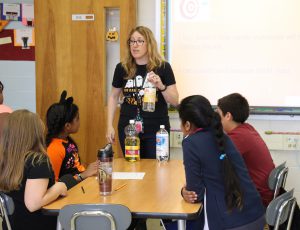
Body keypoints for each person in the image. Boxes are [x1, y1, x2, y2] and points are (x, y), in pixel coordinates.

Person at [178, 95, 265, 229]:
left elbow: (196, 194)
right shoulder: (222, 136)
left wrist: (183, 192)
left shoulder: (190, 142)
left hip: (230, 223)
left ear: (187, 124)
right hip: (256, 216)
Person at [106, 26, 179, 159]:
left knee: (157, 170)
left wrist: (161, 86)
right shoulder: (122, 68)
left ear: (149, 44)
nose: (135, 45)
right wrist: (109, 125)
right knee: (133, 169)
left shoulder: (163, 67)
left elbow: (174, 100)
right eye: (132, 41)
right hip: (129, 128)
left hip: (157, 128)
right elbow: (113, 96)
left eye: (140, 41)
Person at [0, 110, 67, 230]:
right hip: (38, 224)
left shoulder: (6, 160)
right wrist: (59, 187)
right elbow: (33, 204)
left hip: (11, 225)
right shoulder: (38, 161)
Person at [216, 93, 275, 207]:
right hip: (263, 192)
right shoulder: (247, 129)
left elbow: (217, 159)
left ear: (228, 116)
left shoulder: (239, 137)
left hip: (256, 199)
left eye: (218, 114)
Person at [46, 91, 98, 184]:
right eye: (77, 118)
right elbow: (54, 184)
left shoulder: (67, 140)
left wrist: (90, 170)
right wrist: (83, 175)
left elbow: (75, 168)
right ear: (67, 126)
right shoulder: (54, 149)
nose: (79, 122)